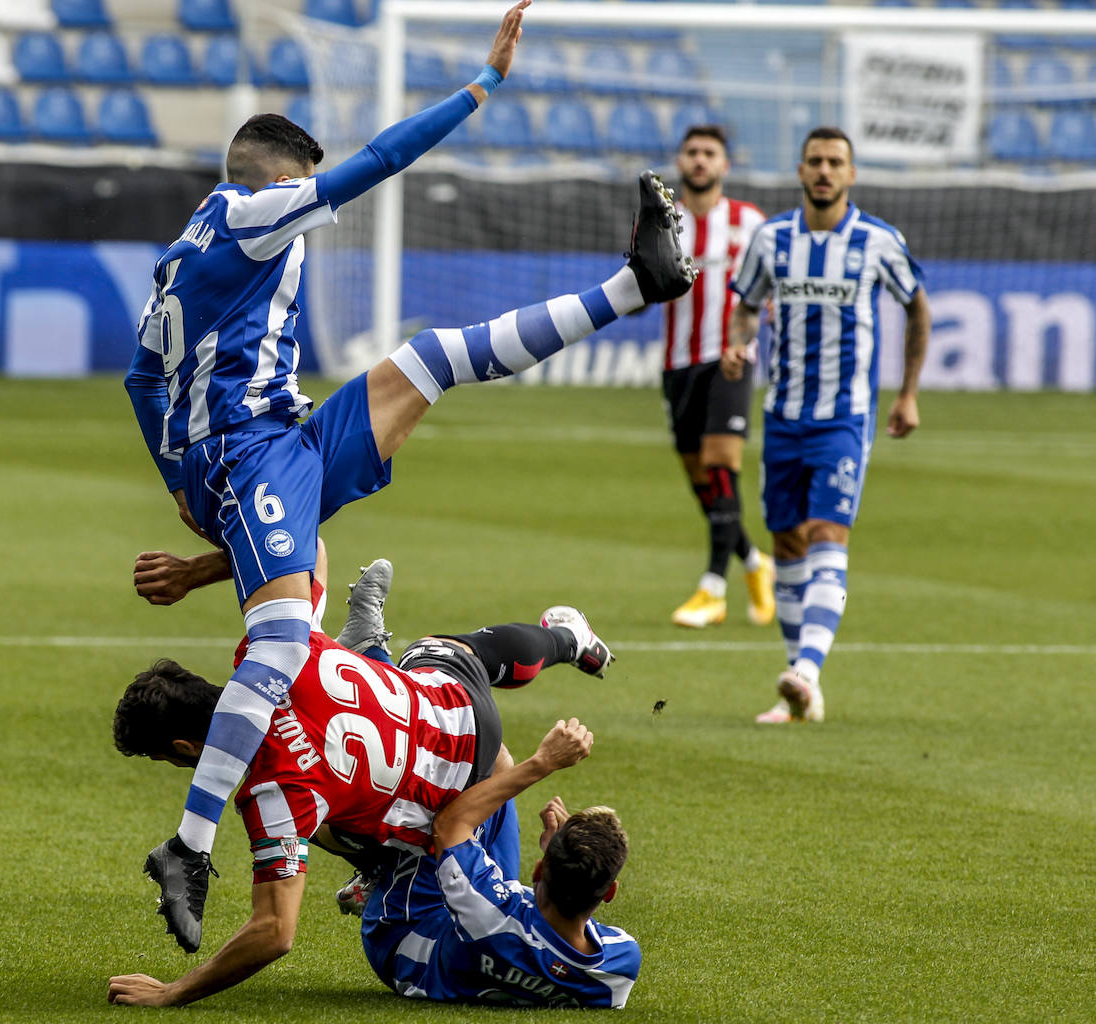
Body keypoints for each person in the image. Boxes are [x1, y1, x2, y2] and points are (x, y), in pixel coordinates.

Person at [120, 0, 695, 952]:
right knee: (276, 646)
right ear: (278, 182)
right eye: (306, 193)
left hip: (281, 439)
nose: (313, 211)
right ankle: (188, 842)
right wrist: (485, 83)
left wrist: (179, 482)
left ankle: (637, 283)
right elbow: (380, 160)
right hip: (253, 453)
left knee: (432, 357)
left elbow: (145, 378)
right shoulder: (259, 217)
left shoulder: (179, 257)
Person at [105, 568, 615, 1008]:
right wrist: (199, 570)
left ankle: (380, 867)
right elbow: (313, 551)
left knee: (326, 817)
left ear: (187, 748)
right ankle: (564, 640)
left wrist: (173, 991)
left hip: (445, 826)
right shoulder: (276, 645)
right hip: (460, 711)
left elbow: (274, 934)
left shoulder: (274, 791)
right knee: (458, 651)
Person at [721, 126, 930, 724]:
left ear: (851, 174)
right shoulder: (770, 240)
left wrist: (908, 393)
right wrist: (739, 345)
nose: (824, 171)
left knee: (826, 534)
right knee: (786, 542)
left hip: (844, 418)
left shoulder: (877, 241)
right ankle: (800, 688)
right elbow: (746, 309)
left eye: (835, 162)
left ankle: (808, 669)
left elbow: (917, 306)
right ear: (800, 169)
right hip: (783, 415)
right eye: (815, 160)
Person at [360, 727, 640, 1008]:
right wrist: (563, 856)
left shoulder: (491, 917)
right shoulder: (620, 966)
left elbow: (449, 824)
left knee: (490, 760)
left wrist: (544, 761)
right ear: (609, 892)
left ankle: (366, 859)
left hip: (404, 935)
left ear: (539, 871)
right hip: (487, 927)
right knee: (497, 791)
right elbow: (559, 939)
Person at [660, 125, 775, 630]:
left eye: (710, 153)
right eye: (693, 153)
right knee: (700, 478)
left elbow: (770, 288)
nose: (700, 161)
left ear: (726, 165)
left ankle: (713, 587)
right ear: (680, 161)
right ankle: (754, 561)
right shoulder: (663, 222)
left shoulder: (750, 223)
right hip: (677, 363)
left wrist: (743, 342)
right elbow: (642, 287)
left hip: (731, 357)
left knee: (722, 462)